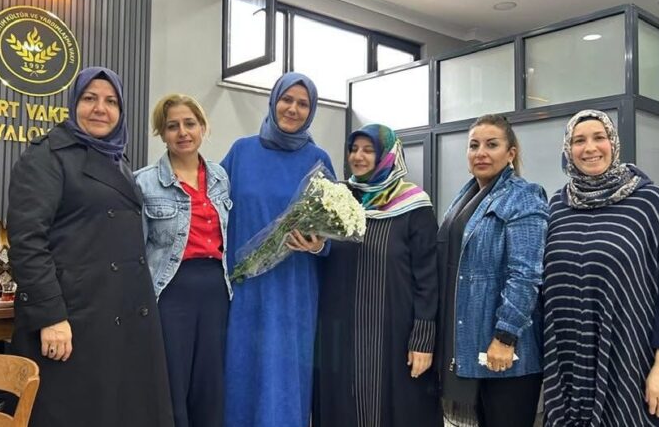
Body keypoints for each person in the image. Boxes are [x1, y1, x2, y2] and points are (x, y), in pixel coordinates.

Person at [6, 66, 174, 427]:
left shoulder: (117, 159)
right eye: (89, 98)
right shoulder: (47, 155)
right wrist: (50, 316)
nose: (100, 108)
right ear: (73, 103)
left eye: (111, 101)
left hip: (120, 310)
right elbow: (27, 241)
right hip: (73, 317)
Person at [543, 109, 659, 427]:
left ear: (613, 143)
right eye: (579, 140)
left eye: (599, 137)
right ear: (568, 149)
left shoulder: (649, 200)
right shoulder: (557, 205)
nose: (590, 148)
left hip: (632, 356)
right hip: (568, 360)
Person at [221, 72, 334, 427]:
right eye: (287, 99)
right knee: (241, 368)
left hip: (294, 291)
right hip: (245, 290)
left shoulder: (318, 160)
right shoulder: (241, 152)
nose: (293, 109)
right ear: (273, 101)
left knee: (286, 373)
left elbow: (333, 229)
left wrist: (320, 245)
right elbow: (213, 211)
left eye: (303, 104)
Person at [313, 124, 441, 427]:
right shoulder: (338, 200)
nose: (358, 156)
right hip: (341, 332)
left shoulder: (414, 205)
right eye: (354, 149)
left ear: (387, 156)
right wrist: (315, 247)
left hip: (395, 335)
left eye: (368, 150)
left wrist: (423, 340)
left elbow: (427, 278)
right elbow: (324, 258)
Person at [436, 114, 548, 427]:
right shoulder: (467, 195)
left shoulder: (523, 196)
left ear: (511, 153)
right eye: (474, 145)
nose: (481, 153)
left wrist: (505, 336)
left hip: (506, 351)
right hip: (473, 342)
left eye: (492, 145)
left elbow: (525, 274)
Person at [135, 94, 232, 427]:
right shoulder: (144, 182)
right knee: (172, 383)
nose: (182, 132)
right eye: (172, 126)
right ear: (162, 134)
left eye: (189, 123)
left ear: (202, 127)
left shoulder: (220, 177)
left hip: (216, 291)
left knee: (210, 384)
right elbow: (136, 251)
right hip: (171, 292)